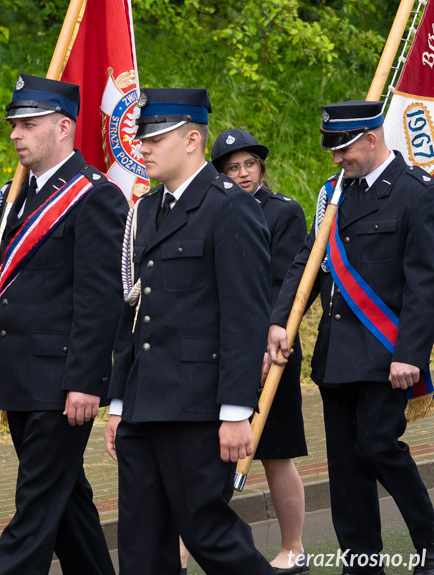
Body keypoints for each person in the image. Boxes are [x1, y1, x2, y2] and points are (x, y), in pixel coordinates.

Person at [0, 73, 126, 575]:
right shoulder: (12, 196)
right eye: (13, 125)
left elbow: (98, 298)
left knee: (35, 509)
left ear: (63, 128)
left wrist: (86, 381)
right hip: (20, 379)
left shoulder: (96, 195)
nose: (16, 134)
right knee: (67, 506)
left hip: (63, 383)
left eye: (28, 124)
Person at [104, 88, 275, 575]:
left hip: (199, 405)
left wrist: (237, 411)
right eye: (142, 138)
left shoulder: (229, 207)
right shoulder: (147, 209)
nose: (144, 148)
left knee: (208, 532)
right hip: (143, 403)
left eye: (156, 138)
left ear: (193, 140)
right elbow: (136, 311)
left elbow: (245, 317)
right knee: (140, 541)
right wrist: (118, 404)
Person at [268, 100, 434, 575]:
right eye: (332, 150)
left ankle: (429, 543)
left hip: (386, 356)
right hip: (336, 357)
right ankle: (361, 562)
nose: (336, 159)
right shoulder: (334, 193)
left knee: (378, 446)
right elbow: (306, 261)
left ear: (371, 139)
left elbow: (424, 284)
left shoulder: (416, 193)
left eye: (343, 149)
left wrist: (412, 355)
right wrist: (281, 320)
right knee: (344, 466)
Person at [210, 128, 309, 573]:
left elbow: (283, 282)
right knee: (208, 455)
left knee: (275, 453)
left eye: (250, 164)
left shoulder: (283, 212)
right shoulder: (213, 211)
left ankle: (293, 548)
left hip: (274, 348)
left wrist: (268, 340)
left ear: (262, 167)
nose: (243, 173)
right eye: (233, 167)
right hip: (223, 352)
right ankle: (181, 552)